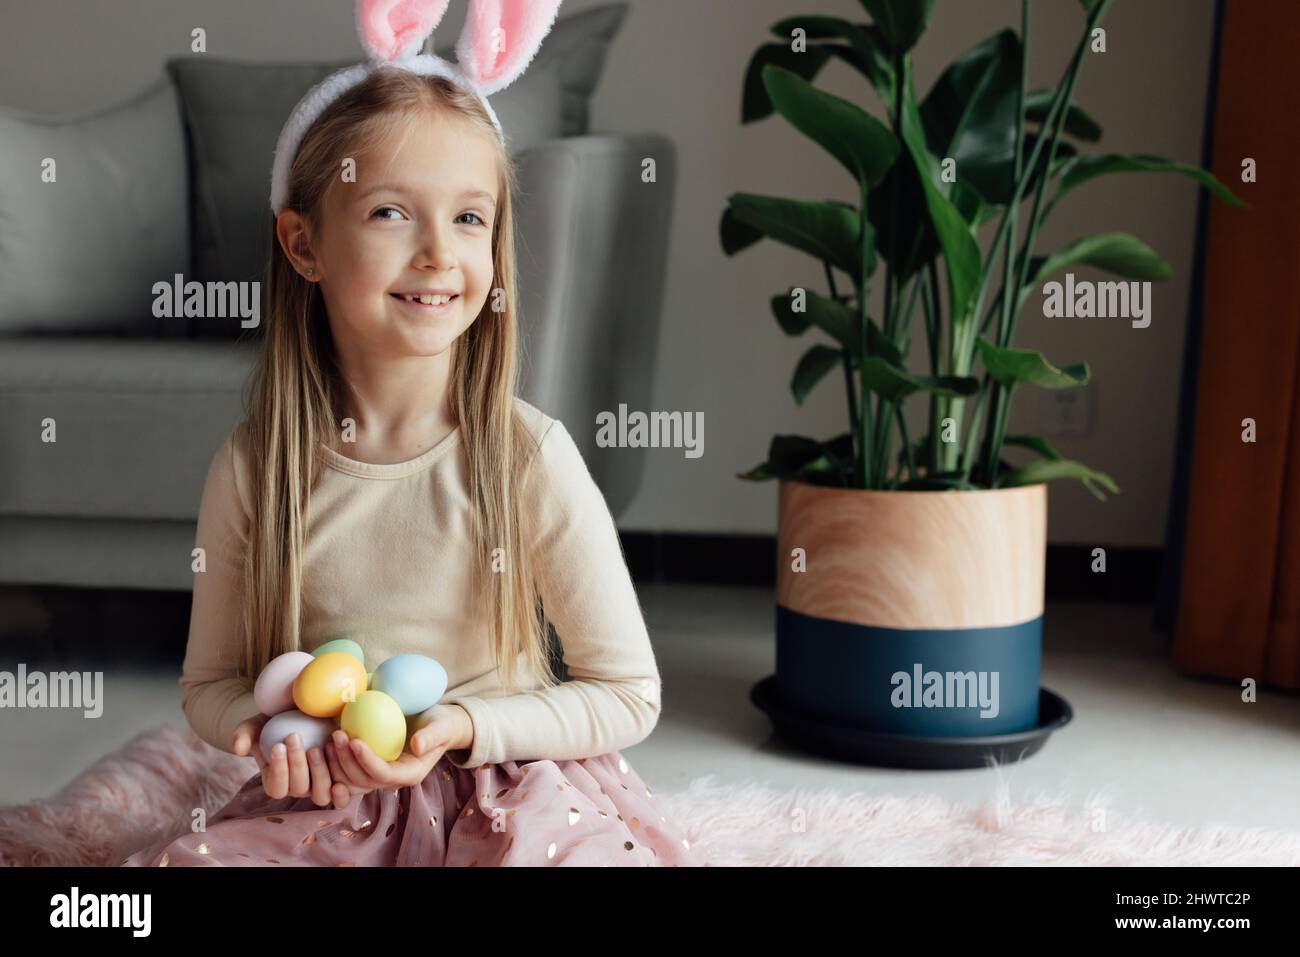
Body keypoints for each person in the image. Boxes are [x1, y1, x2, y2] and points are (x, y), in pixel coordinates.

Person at [122, 0, 695, 867]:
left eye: (470, 218)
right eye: (392, 212)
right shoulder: (254, 466)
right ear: (304, 244)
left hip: (510, 781)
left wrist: (460, 726)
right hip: (329, 797)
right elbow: (209, 685)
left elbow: (628, 693)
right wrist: (271, 733)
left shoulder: (528, 458)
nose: (438, 253)